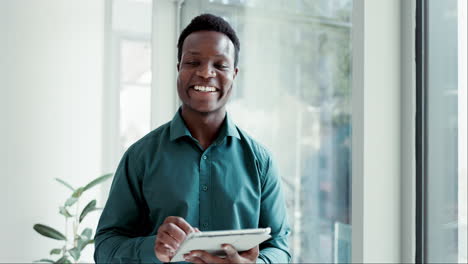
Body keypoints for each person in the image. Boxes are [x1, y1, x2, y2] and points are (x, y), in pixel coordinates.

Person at [94, 13, 291, 264]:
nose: (206, 73)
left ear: (235, 74)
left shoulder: (260, 161)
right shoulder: (140, 157)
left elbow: (280, 249)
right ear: (179, 69)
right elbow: (105, 248)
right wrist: (152, 247)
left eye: (220, 65)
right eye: (192, 62)